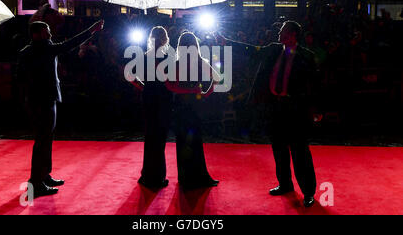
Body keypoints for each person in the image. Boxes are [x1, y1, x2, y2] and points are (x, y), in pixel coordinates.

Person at [217, 21, 318, 207]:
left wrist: (314, 109)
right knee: (278, 148)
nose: (279, 32)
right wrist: (227, 42)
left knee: (300, 151)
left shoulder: (306, 56)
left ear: (293, 34)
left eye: (283, 30)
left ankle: (308, 191)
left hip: (295, 110)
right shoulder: (273, 50)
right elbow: (252, 50)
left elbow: (314, 87)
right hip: (275, 107)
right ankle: (285, 184)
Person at [17, 19, 104, 198]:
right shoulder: (45, 49)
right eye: (47, 30)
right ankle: (36, 182)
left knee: (45, 139)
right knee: (42, 141)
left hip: (36, 101)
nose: (50, 33)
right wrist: (91, 30)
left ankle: (44, 176)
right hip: (45, 101)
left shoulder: (27, 52)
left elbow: (20, 79)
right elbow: (70, 44)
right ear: (38, 33)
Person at [166, 31, 221, 189]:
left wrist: (183, 90)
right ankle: (200, 177)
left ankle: (185, 179)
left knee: (182, 141)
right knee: (195, 140)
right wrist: (203, 93)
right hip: (195, 104)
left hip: (181, 104)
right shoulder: (200, 62)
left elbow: (169, 85)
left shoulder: (176, 63)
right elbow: (216, 78)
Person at [134, 26, 173, 189]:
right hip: (163, 97)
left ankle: (147, 175)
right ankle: (158, 176)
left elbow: (131, 77)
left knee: (150, 135)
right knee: (160, 136)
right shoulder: (168, 58)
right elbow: (171, 81)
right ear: (165, 39)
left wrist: (144, 87)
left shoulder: (145, 56)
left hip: (149, 96)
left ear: (151, 38)